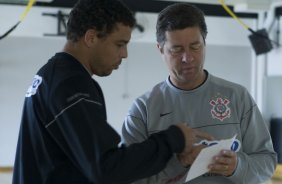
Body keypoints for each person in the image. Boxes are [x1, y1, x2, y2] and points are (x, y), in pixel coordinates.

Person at [12, 1, 213, 184]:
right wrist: (174, 138)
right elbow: (106, 168)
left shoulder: (52, 76)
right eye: (120, 44)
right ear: (91, 38)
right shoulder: (71, 84)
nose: (124, 54)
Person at [121, 3, 277, 184]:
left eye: (195, 46)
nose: (188, 58)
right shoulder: (143, 110)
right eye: (177, 49)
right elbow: (126, 177)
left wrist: (237, 167)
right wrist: (177, 164)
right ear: (161, 49)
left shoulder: (237, 97)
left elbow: (266, 163)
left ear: (204, 43)